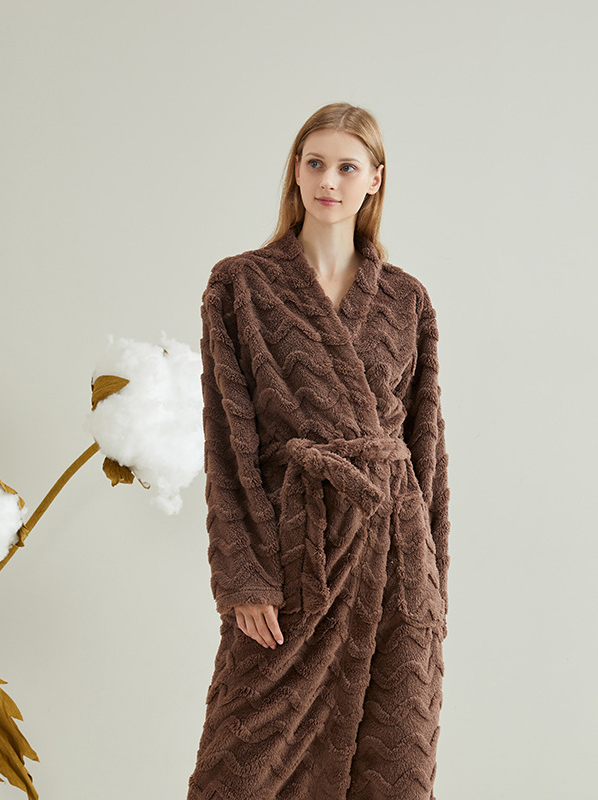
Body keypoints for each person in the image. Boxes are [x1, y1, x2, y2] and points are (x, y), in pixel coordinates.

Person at [187, 102, 450, 800]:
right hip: (296, 556)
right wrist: (244, 576)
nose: (329, 180)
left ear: (375, 180)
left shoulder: (407, 300)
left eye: (347, 167)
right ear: (296, 172)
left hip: (393, 556)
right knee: (238, 769)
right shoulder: (241, 285)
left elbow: (425, 447)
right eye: (315, 163)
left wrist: (432, 585)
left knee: (387, 758)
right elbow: (228, 442)